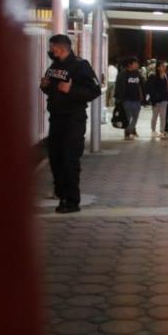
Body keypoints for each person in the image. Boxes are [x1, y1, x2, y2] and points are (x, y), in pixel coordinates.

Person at [39, 34, 101, 213]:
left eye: (52, 47)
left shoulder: (81, 65)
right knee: (55, 159)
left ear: (60, 48)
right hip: (56, 118)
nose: (50, 50)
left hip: (73, 120)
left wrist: (71, 90)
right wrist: (45, 86)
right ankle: (61, 195)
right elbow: (53, 88)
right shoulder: (55, 66)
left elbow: (94, 90)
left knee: (69, 160)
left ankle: (72, 201)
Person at [115, 57, 145, 141]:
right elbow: (118, 87)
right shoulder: (122, 74)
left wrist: (143, 97)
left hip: (137, 100)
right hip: (127, 100)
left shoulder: (138, 73)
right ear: (130, 65)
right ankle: (127, 133)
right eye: (135, 63)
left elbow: (142, 85)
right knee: (128, 117)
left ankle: (131, 130)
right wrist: (119, 98)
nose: (137, 65)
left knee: (135, 117)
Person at [146, 61, 168, 139]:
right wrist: (153, 98)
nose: (164, 67)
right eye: (162, 66)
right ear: (158, 68)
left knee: (163, 116)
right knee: (155, 116)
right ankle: (153, 131)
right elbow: (151, 88)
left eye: (164, 66)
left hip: (164, 99)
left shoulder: (167, 76)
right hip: (156, 100)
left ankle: (162, 131)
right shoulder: (153, 76)